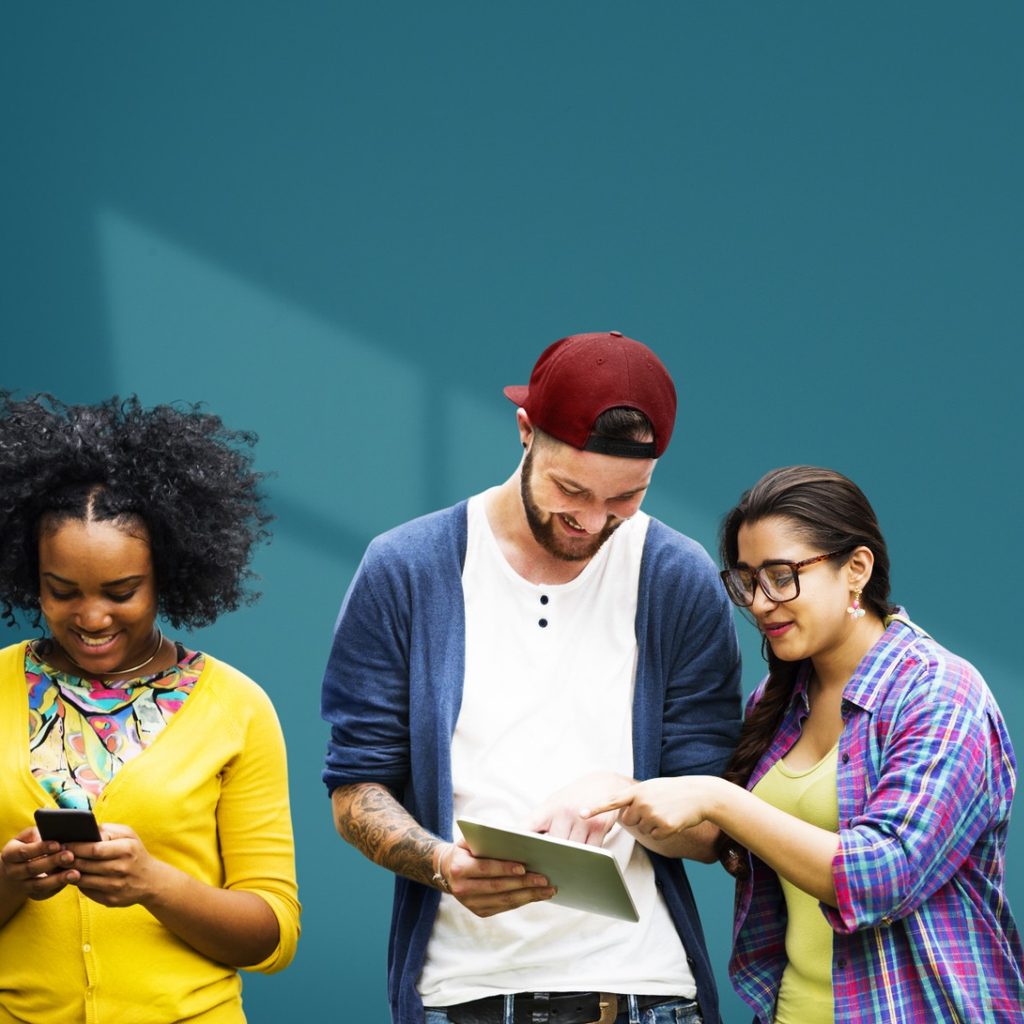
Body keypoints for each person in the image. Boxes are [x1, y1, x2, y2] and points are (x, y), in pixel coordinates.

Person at [320, 331, 743, 1024]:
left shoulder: (677, 578)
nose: (591, 521)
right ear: (525, 431)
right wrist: (442, 866)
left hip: (646, 992)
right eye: (570, 490)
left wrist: (631, 799)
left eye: (626, 498)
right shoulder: (407, 569)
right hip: (465, 996)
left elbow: (712, 825)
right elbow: (355, 789)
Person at [585, 465, 1023, 1023]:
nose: (762, 602)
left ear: (856, 569)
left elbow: (883, 875)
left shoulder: (937, 691)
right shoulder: (780, 698)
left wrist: (720, 799)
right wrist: (629, 802)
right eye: (747, 580)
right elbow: (736, 843)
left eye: (782, 575)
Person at [0, 393, 300, 1024]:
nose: (90, 617)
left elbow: (272, 935)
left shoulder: (236, 707)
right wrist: (8, 883)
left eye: (121, 592)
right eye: (61, 592)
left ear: (169, 573)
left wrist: (155, 885)